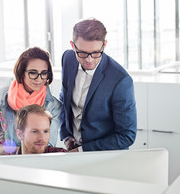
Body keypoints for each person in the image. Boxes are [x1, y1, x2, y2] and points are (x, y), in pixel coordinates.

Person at [59, 18, 137, 152]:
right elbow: (64, 99)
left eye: (95, 53)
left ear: (104, 45)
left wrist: (82, 150)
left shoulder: (120, 80)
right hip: (73, 150)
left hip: (105, 156)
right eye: (82, 53)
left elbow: (127, 136)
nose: (89, 60)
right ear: (73, 46)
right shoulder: (68, 59)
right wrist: (66, 135)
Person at [0, 47, 62, 157]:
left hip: (34, 165)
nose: (39, 79)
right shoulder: (4, 94)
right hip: (5, 163)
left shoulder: (53, 106)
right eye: (33, 73)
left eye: (44, 73)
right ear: (21, 72)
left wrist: (9, 150)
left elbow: (46, 148)